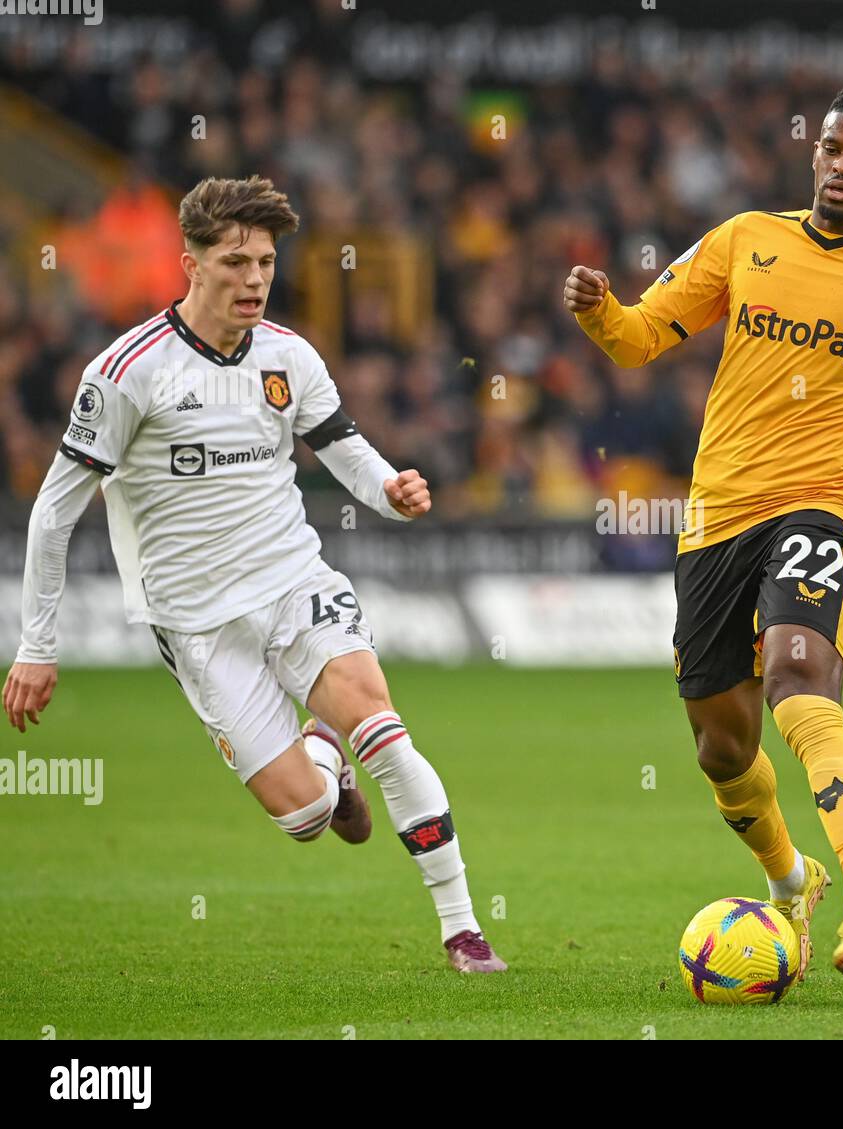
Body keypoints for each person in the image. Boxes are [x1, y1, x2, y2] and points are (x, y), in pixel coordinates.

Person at [4, 175, 506, 974]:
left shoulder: (288, 355)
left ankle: (463, 929)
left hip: (292, 583)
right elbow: (53, 513)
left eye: (266, 262)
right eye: (235, 261)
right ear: (190, 264)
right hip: (197, 622)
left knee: (383, 726)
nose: (255, 279)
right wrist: (36, 645)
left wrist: (387, 489)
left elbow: (339, 442)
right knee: (304, 816)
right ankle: (322, 761)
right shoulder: (127, 372)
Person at [565, 83, 843, 983]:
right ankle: (794, 881)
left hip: (822, 505)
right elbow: (643, 339)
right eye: (833, 149)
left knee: (801, 681)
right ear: (817, 154)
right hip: (718, 516)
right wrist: (601, 310)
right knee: (722, 745)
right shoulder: (745, 239)